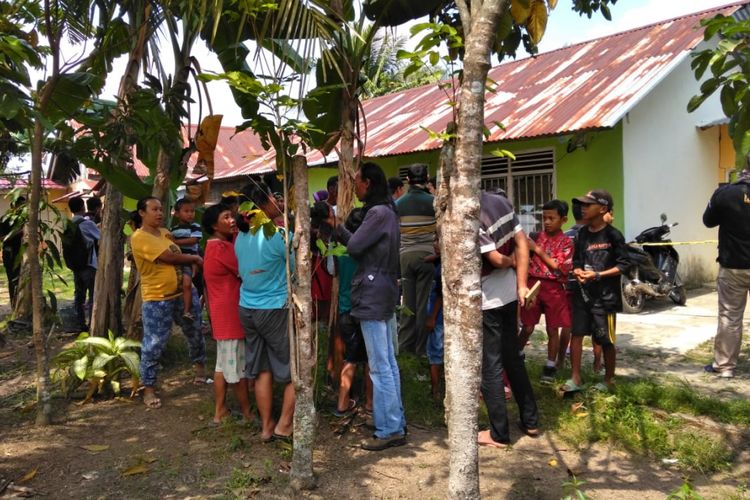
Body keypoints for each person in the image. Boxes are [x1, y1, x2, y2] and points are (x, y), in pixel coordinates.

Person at [327, 162, 407, 451]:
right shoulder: (390, 211)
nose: (356, 187)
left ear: (369, 184)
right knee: (387, 362)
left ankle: (389, 429)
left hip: (372, 294)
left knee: (379, 365)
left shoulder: (376, 213)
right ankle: (394, 422)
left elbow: (355, 246)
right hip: (383, 290)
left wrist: (337, 227)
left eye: (358, 182)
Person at [477, 190, 540, 448]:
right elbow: (522, 242)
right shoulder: (500, 202)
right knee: (513, 358)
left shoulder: (472, 214)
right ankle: (530, 421)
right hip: (509, 293)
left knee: (490, 364)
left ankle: (498, 433)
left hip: (487, 297)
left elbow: (495, 259)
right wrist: (522, 284)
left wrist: (511, 262)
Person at [131, 197, 206, 409]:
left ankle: (200, 368)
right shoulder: (139, 237)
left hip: (182, 294)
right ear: (142, 213)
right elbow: (168, 257)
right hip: (158, 298)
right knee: (154, 343)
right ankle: (149, 388)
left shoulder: (165, 232)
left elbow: (177, 252)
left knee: (194, 331)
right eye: (154, 209)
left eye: (161, 209)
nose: (159, 212)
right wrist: (195, 259)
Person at [235, 181, 295, 442]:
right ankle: (283, 424)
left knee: (261, 370)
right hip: (274, 309)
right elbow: (296, 270)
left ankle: (266, 428)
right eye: (273, 195)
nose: (276, 200)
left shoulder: (242, 235)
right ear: (263, 202)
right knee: (295, 370)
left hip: (247, 308)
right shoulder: (279, 236)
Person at [562, 190, 629, 393]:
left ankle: (608, 380)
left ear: (602, 209)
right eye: (582, 204)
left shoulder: (613, 235)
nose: (583, 207)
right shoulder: (581, 234)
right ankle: (575, 378)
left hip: (606, 298)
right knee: (577, 334)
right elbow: (576, 261)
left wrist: (598, 275)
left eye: (588, 204)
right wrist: (578, 271)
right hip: (582, 295)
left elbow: (624, 265)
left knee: (605, 339)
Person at [202, 203, 254, 424]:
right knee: (237, 368)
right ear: (214, 225)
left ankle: (219, 411)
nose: (232, 220)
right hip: (230, 315)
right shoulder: (221, 249)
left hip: (222, 315)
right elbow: (244, 269)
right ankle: (247, 413)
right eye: (226, 217)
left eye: (232, 216)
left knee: (222, 366)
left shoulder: (215, 246)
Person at [702, 159, 750, 379]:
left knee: (730, 317)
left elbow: (708, 221)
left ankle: (725, 367)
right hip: (733, 266)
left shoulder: (725, 193)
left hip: (733, 267)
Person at [519, 200, 574, 383]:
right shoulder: (535, 236)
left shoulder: (566, 242)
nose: (547, 222)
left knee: (553, 328)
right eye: (544, 218)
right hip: (533, 283)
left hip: (554, 287)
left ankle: (550, 366)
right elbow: (524, 259)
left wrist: (538, 250)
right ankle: (517, 355)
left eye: (552, 218)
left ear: (563, 219)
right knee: (527, 326)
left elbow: (558, 267)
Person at [333, 208, 373, 417]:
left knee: (351, 357)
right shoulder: (369, 253)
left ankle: (342, 403)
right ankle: (370, 402)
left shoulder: (340, 253)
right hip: (366, 309)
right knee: (369, 359)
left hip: (345, 310)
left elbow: (332, 272)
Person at [395, 163, 436, 355]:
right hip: (427, 257)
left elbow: (395, 235)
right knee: (421, 307)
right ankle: (420, 350)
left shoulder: (398, 204)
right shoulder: (434, 202)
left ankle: (404, 348)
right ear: (427, 179)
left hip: (405, 256)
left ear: (408, 180)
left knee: (407, 306)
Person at [67, 196, 100, 331]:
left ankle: (80, 323)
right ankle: (93, 323)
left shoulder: (69, 224)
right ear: (83, 207)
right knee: (93, 296)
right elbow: (101, 237)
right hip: (88, 265)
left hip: (75, 265)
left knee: (79, 296)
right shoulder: (87, 224)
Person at [170, 198, 203, 322]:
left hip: (189, 261)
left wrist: (176, 242)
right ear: (177, 214)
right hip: (177, 261)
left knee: (187, 284)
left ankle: (187, 311)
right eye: (186, 211)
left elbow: (193, 240)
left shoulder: (195, 227)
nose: (190, 214)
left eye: (192, 211)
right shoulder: (173, 230)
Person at [424, 235, 444, 403]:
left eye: (439, 241)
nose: (435, 244)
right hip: (438, 315)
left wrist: (431, 317)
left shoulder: (444, 269)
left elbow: (440, 295)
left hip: (437, 316)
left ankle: (435, 391)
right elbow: (429, 258)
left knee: (435, 353)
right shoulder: (441, 262)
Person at [0, 196, 25, 308]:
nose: (23, 208)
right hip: (10, 254)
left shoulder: (23, 219)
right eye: (21, 206)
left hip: (22, 254)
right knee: (13, 280)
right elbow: (2, 238)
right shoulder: (5, 219)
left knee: (22, 280)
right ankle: (14, 306)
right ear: (14, 206)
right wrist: (18, 231)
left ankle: (22, 305)